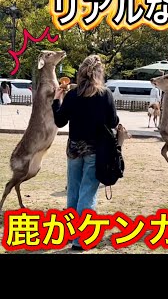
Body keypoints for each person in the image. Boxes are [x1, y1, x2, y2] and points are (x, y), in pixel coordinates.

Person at [52, 54, 119, 251]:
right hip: (95, 149)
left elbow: (59, 121)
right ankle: (82, 239)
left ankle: (71, 234)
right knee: (87, 193)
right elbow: (113, 122)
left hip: (73, 149)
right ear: (99, 73)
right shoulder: (105, 94)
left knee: (73, 192)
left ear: (81, 72)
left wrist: (57, 99)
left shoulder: (73, 95)